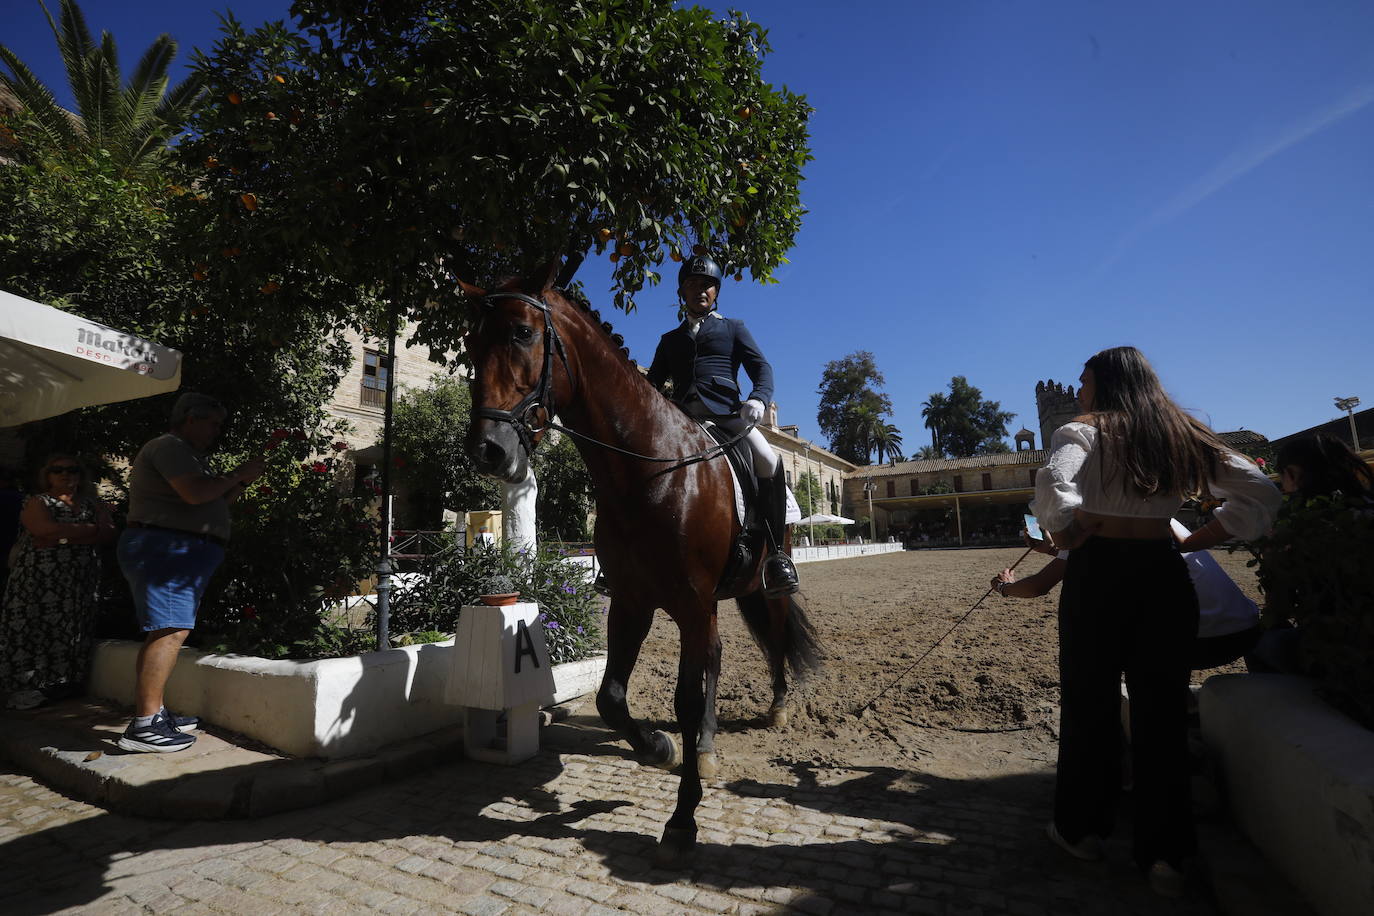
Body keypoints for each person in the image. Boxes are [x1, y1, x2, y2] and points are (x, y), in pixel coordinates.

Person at [1031, 346, 1280, 898]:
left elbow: (1053, 484)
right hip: (1164, 574)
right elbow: (1260, 491)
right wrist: (1203, 536)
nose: (1080, 391)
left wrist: (1067, 530)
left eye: (1085, 381)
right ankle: (1166, 854)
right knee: (1162, 709)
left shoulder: (1083, 430)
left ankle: (1081, 829)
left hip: (1099, 573)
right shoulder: (1180, 433)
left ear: (1104, 384)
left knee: (1088, 702)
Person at [115, 393, 265, 752]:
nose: (217, 431)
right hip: (168, 548)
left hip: (179, 550)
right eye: (212, 423)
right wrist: (238, 473)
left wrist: (240, 483)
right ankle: (144, 726)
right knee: (169, 631)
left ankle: (154, 713)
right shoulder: (169, 446)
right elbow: (196, 494)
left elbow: (214, 499)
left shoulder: (191, 455)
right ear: (190, 418)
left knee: (165, 630)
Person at [643, 253, 799, 596]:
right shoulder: (669, 340)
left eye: (708, 285)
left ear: (716, 292)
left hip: (728, 416)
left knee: (769, 460)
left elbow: (762, 369)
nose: (701, 290)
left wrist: (758, 397)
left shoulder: (733, 328)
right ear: (682, 292)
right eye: (694, 284)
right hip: (683, 420)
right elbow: (652, 384)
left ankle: (776, 556)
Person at [991, 518, 1262, 670]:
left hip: (1199, 643)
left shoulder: (1092, 521)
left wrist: (1005, 586)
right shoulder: (1154, 513)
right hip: (1246, 629)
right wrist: (1053, 551)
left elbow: (1039, 586)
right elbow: (1104, 558)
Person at [1247, 434, 1374, 674]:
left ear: (1293, 473)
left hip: (1343, 653)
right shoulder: (1365, 509)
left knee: (1259, 640)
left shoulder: (1298, 528)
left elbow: (1279, 607)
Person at [1, 454, 116, 710]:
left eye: (72, 469)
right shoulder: (38, 501)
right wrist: (89, 531)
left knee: (73, 628)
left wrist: (64, 537)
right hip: (39, 580)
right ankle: (30, 686)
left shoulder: (91, 502)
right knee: (36, 627)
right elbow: (44, 530)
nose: (66, 474)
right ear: (48, 475)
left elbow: (107, 532)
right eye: (58, 470)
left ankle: (62, 685)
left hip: (80, 579)